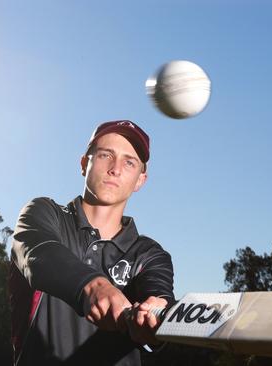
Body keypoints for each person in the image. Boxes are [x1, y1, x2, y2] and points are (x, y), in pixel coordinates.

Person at [10, 120, 175, 366]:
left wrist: (157, 315)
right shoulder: (44, 213)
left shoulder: (149, 254)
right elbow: (39, 254)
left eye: (129, 162)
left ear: (141, 180)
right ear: (84, 163)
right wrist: (93, 286)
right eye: (105, 155)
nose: (115, 168)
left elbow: (159, 293)